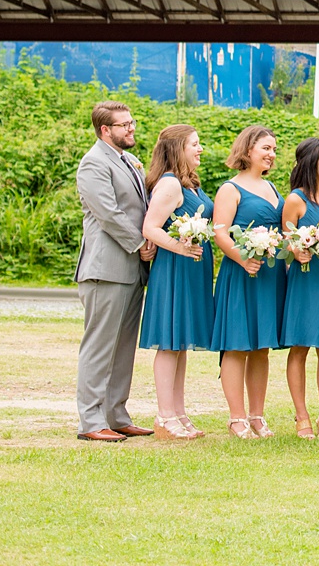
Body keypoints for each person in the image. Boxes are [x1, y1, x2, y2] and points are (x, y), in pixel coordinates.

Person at [74, 101, 155, 443]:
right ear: (105, 130)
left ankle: (117, 415)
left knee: (123, 347)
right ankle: (91, 421)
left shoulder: (127, 161)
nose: (131, 128)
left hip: (133, 269)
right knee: (99, 346)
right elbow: (107, 213)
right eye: (124, 125)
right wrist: (140, 243)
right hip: (106, 267)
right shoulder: (93, 163)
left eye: (132, 122)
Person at [209, 125, 285, 439]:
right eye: (265, 147)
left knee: (262, 347)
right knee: (237, 345)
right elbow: (219, 232)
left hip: (269, 274)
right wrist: (243, 258)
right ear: (248, 148)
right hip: (241, 273)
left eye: (274, 149)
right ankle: (236, 418)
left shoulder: (273, 188)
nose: (271, 154)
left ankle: (257, 415)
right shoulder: (231, 188)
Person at [137, 124, 212, 440]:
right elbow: (150, 227)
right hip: (175, 269)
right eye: (195, 144)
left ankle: (179, 412)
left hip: (193, 268)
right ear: (178, 148)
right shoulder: (169, 185)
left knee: (180, 343)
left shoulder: (190, 183)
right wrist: (180, 246)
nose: (200, 149)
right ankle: (165, 416)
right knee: (169, 342)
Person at [280, 137, 319, 440]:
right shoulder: (296, 199)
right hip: (305, 280)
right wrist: (297, 249)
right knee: (300, 346)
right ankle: (301, 416)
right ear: (312, 161)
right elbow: (285, 240)